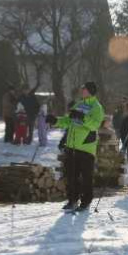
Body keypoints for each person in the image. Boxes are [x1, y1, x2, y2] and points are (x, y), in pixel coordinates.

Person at [47, 81, 104, 212]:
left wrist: (83, 118)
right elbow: (68, 121)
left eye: (83, 89)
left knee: (86, 177)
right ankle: (72, 200)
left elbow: (95, 125)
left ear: (90, 91)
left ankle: (86, 201)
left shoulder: (97, 107)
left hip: (86, 147)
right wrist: (55, 121)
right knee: (71, 175)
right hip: (72, 145)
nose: (81, 90)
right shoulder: (79, 104)